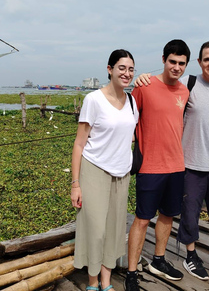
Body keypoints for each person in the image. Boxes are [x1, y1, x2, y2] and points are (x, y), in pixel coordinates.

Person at [134, 41, 209, 281]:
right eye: (206, 59)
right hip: (189, 162)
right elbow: (163, 83)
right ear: (198, 63)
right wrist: (142, 77)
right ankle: (190, 256)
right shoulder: (189, 83)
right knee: (189, 214)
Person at [124, 39, 190, 291]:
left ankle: (158, 260)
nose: (176, 67)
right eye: (172, 61)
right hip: (150, 165)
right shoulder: (145, 85)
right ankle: (131, 272)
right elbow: (127, 118)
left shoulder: (184, 91)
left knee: (167, 215)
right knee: (142, 219)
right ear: (163, 60)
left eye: (181, 63)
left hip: (176, 165)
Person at [71, 49, 139, 291]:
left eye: (131, 69)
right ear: (109, 69)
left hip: (122, 174)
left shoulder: (132, 101)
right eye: (122, 68)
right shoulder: (94, 100)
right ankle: (92, 281)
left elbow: (129, 136)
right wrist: (75, 184)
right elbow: (79, 143)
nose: (127, 73)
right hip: (94, 171)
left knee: (114, 229)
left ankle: (107, 282)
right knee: (96, 230)